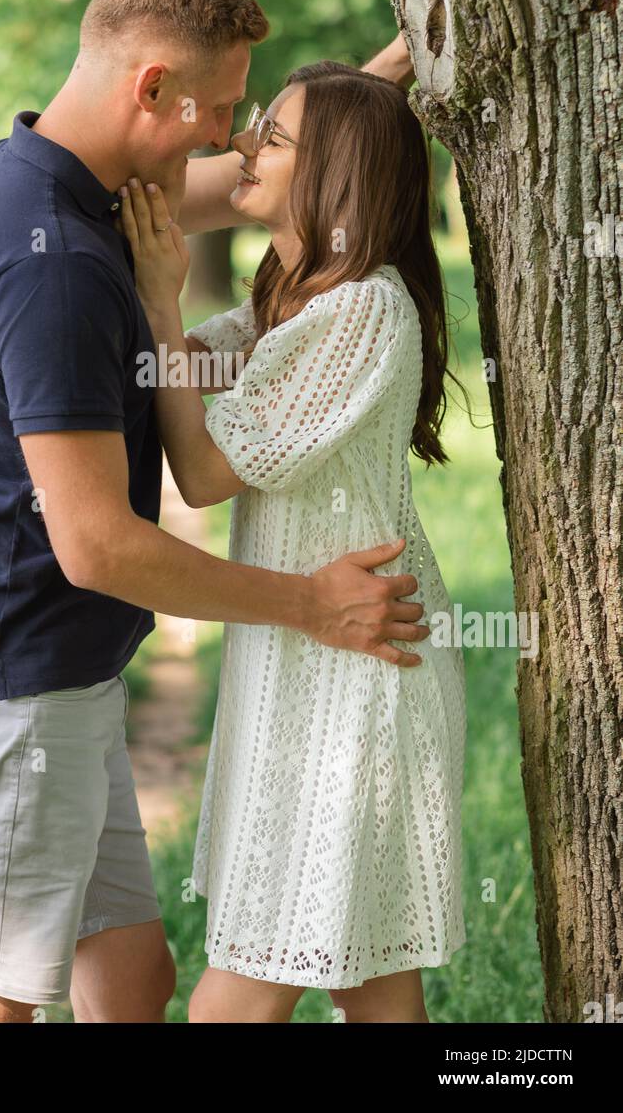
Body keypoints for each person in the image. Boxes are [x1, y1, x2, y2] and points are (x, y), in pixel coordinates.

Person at [0, 0, 429, 1023]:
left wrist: (387, 77)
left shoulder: (21, 174)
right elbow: (100, 546)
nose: (230, 138)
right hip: (9, 676)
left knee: (132, 983)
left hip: (58, 669)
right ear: (151, 91)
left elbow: (285, 180)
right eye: (221, 109)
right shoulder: (62, 270)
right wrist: (312, 602)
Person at [118, 58, 468, 1023]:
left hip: (357, 679)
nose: (244, 144)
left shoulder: (361, 309)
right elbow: (186, 369)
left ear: (336, 174)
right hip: (319, 662)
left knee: (227, 1008)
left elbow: (204, 467)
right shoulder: (297, 301)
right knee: (374, 987)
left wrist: (159, 297)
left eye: (271, 135)